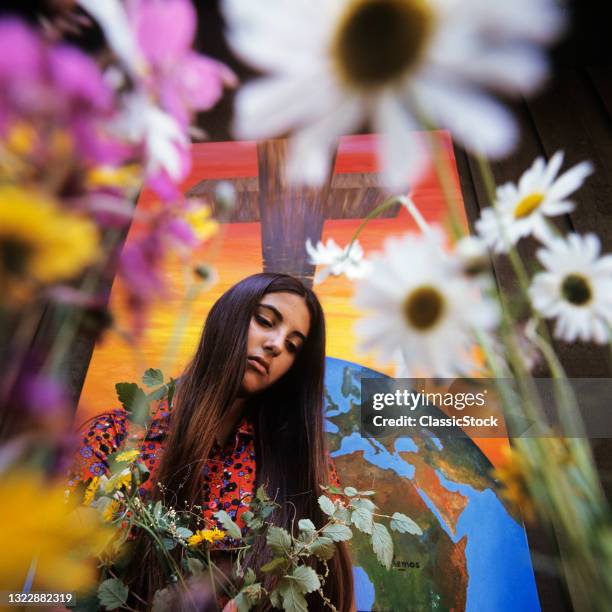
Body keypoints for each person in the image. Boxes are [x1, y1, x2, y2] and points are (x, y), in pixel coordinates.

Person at [68, 272, 355, 611]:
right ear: (227, 316)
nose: (276, 344)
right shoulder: (111, 439)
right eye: (265, 321)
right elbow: (49, 593)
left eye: (292, 346)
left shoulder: (301, 470)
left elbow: (338, 598)